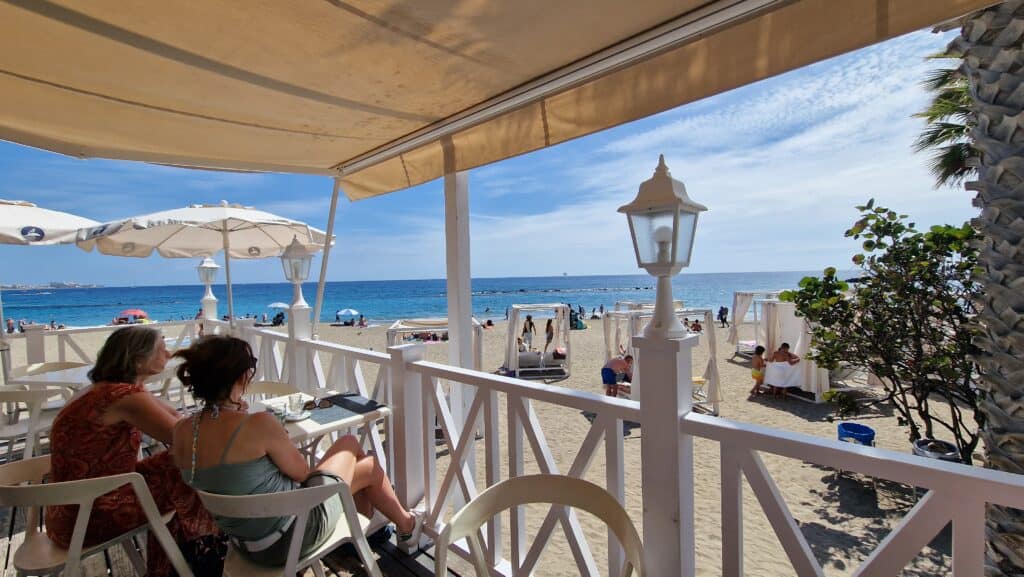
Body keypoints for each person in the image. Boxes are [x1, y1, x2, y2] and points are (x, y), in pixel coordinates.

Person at [171, 336, 421, 567]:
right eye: (249, 367)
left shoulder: (182, 431)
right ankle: (405, 526)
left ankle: (370, 534)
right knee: (360, 457)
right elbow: (303, 474)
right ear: (239, 378)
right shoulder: (256, 424)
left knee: (358, 463)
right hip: (292, 538)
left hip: (244, 544)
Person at [45, 326, 219, 577]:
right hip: (88, 515)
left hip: (68, 506)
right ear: (138, 360)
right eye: (161, 349)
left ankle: (176, 563)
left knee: (180, 466)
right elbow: (186, 440)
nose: (168, 355)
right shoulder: (124, 397)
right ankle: (192, 562)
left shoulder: (111, 389)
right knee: (198, 471)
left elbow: (178, 420)